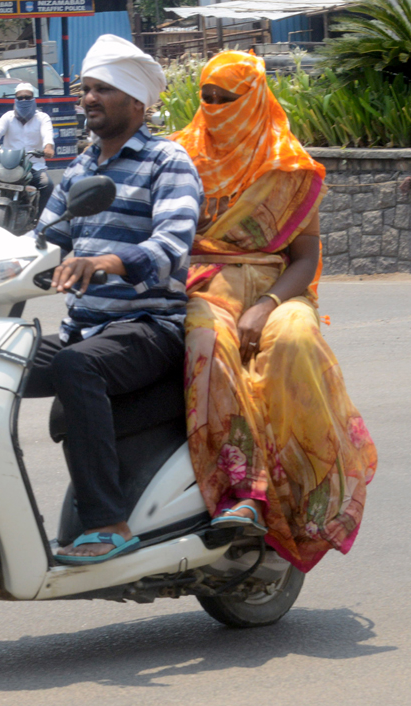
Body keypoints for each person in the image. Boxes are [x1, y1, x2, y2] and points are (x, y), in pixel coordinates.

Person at [170, 50, 377, 572]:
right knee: (206, 344)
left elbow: (304, 257)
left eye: (227, 98)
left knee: (295, 341)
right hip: (205, 281)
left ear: (255, 98)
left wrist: (266, 306)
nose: (215, 108)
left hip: (274, 284)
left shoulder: (289, 165)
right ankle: (245, 490)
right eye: (207, 97)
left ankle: (308, 491)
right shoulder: (179, 156)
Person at [25, 35, 203, 564]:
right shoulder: (79, 171)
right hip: (85, 328)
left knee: (78, 367)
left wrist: (103, 262)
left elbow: (172, 246)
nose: (89, 99)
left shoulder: (165, 162)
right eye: (87, 88)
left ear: (136, 102)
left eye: (104, 89)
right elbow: (42, 242)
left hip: (152, 326)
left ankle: (108, 523)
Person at [0, 83, 55, 216]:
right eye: (20, 98)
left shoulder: (42, 118)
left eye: (27, 97)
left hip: (34, 166)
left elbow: (47, 135)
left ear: (33, 99)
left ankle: (40, 221)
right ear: (15, 100)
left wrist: (48, 148)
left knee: (47, 185)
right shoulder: (8, 117)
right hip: (8, 165)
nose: (24, 101)